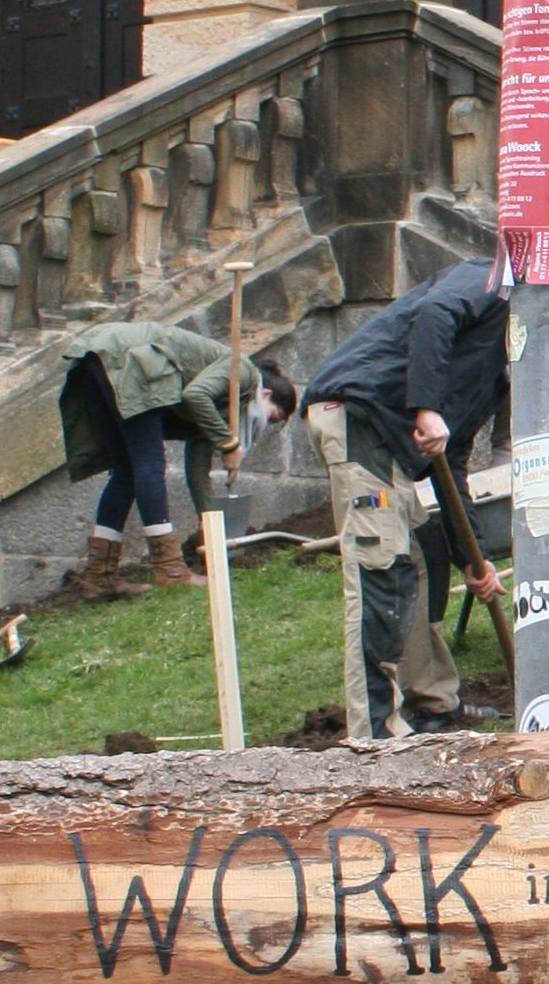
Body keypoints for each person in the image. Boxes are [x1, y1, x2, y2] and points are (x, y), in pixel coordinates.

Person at [299, 259, 510, 739]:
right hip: (360, 416)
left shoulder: (492, 371)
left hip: (390, 435)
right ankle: (374, 736)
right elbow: (436, 312)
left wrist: (473, 559)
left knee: (420, 557)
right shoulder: (495, 278)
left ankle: (434, 703)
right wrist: (428, 407)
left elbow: (449, 462)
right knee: (382, 568)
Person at [56, 319, 296, 601]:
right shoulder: (244, 374)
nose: (263, 424)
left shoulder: (222, 406)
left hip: (100, 356)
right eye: (272, 417)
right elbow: (195, 395)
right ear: (265, 394)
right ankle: (170, 570)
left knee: (126, 472)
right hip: (133, 358)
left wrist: (209, 523)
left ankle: (99, 577)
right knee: (149, 465)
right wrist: (228, 443)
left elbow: (197, 466)